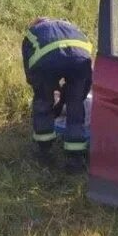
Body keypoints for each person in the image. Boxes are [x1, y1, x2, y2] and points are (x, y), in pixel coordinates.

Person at [22, 18, 93, 171]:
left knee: (43, 102)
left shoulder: (32, 33)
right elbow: (85, 82)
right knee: (76, 105)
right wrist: (70, 97)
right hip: (80, 59)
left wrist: (48, 93)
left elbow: (32, 77)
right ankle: (76, 158)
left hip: (47, 61)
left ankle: (44, 152)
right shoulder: (72, 27)